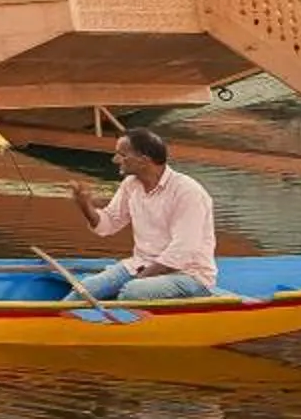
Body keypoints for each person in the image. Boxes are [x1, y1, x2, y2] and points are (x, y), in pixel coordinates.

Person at [64, 129, 220, 301]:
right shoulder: (130, 185)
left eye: (122, 155)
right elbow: (109, 223)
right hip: (141, 264)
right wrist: (85, 206)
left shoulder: (187, 192)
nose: (115, 160)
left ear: (144, 161)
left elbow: (182, 251)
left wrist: (140, 277)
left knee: (132, 291)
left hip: (189, 275)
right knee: (85, 289)